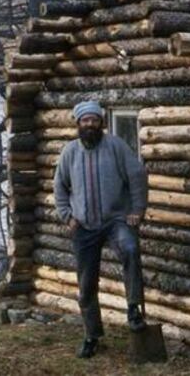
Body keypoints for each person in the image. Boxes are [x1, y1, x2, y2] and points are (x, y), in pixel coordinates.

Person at [53, 100, 148, 359]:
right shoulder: (70, 152)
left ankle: (133, 309)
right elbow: (59, 187)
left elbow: (137, 175)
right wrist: (67, 216)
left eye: (95, 120)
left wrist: (137, 210)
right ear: (78, 124)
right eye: (85, 121)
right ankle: (92, 335)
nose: (90, 125)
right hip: (83, 225)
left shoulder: (116, 146)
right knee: (86, 284)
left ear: (101, 123)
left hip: (116, 220)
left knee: (130, 249)